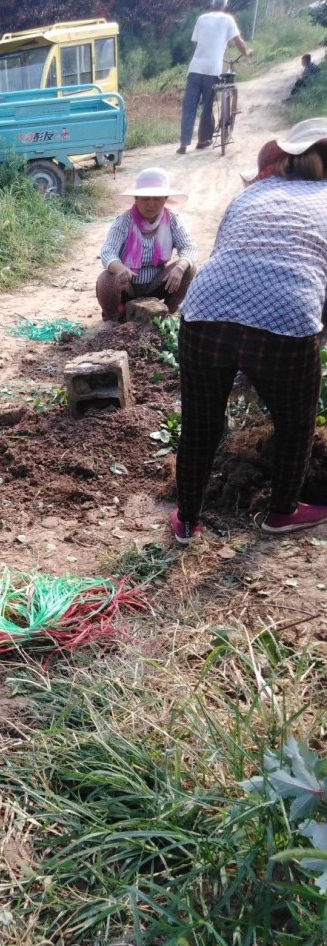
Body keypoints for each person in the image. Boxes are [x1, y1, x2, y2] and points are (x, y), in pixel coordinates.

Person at [170, 117, 327, 545]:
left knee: (201, 424)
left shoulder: (254, 191)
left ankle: (186, 520)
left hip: (204, 312)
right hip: (286, 319)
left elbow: (229, 254)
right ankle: (282, 512)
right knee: (296, 423)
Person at [97, 167, 198, 322]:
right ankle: (112, 319)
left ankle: (169, 313)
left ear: (165, 199)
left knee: (188, 269)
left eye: (157, 199)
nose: (151, 204)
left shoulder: (172, 219)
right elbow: (107, 252)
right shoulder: (124, 221)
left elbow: (189, 247)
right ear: (136, 199)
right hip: (128, 285)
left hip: (157, 285)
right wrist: (119, 267)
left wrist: (179, 268)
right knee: (107, 278)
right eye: (145, 199)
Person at [177, 0, 252, 155]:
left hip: (195, 68)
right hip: (213, 70)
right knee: (208, 105)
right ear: (225, 6)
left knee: (189, 107)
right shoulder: (228, 20)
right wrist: (246, 53)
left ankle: (184, 144)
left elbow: (197, 41)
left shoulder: (202, 19)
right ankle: (203, 140)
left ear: (212, 5)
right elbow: (238, 42)